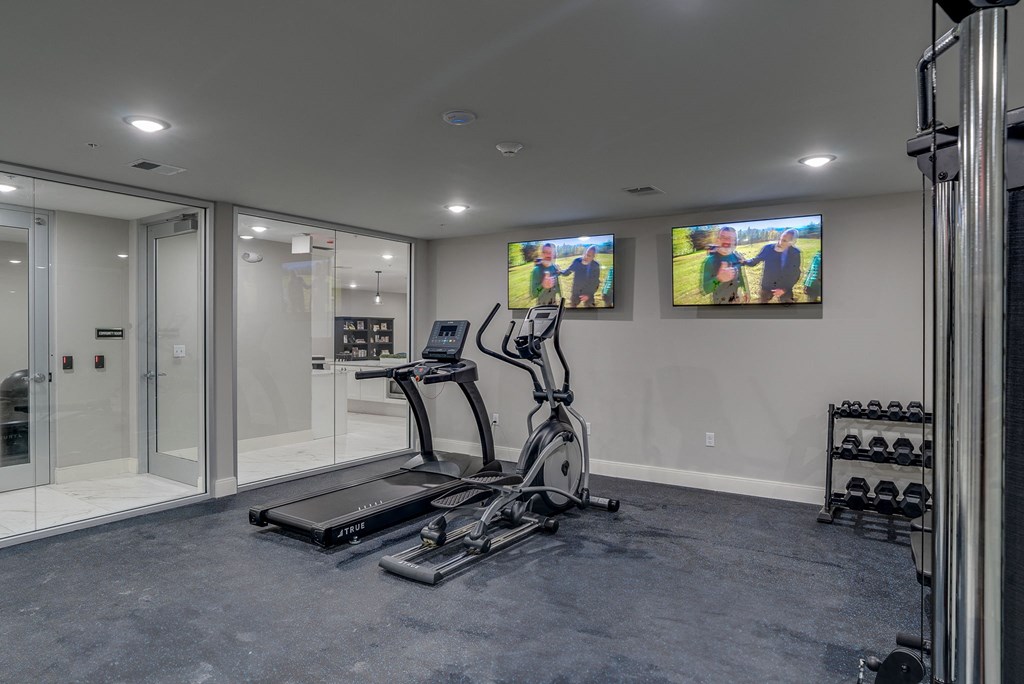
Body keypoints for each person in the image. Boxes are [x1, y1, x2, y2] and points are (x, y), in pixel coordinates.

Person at [743, 228, 802, 303]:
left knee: (788, 311)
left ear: (792, 243)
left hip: (785, 286)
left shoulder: (795, 253)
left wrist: (784, 289)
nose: (780, 242)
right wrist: (744, 261)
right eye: (780, 239)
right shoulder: (768, 248)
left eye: (784, 241)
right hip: (767, 286)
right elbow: (755, 260)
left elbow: (795, 274)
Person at [701, 227, 749, 304]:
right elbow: (705, 289)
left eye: (730, 238)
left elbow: (741, 276)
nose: (726, 241)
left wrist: (745, 290)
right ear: (718, 240)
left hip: (737, 300)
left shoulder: (737, 257)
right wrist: (719, 279)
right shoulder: (710, 261)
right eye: (723, 237)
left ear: (734, 241)